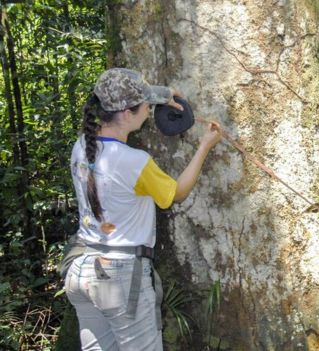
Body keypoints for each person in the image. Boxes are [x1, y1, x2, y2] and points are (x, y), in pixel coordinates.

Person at [63, 68, 222, 350]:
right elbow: (176, 193)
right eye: (146, 105)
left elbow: (131, 100)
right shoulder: (135, 161)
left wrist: (163, 95)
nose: (150, 109)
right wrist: (204, 147)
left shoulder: (81, 147)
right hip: (121, 279)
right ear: (126, 113)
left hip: (83, 270)